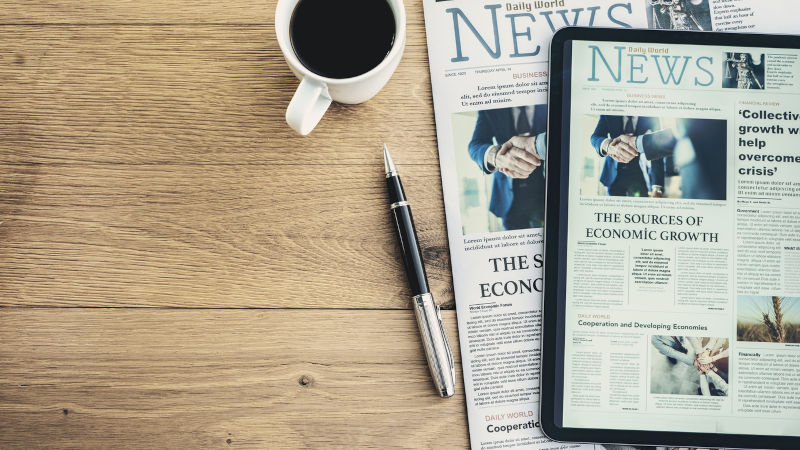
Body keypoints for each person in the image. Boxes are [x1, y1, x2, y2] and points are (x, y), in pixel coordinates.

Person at [468, 105, 547, 230]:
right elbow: (474, 145)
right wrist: (495, 156)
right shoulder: (490, 107)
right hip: (508, 198)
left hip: (544, 192)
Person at [618, 118, 726, 200]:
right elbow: (683, 135)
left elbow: (696, 131)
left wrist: (636, 143)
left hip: (710, 181)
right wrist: (637, 143)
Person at [590, 115, 666, 198]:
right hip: (613, 174)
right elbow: (595, 137)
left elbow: (657, 147)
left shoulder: (651, 115)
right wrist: (609, 147)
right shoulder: (608, 113)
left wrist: (657, 187)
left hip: (637, 172)